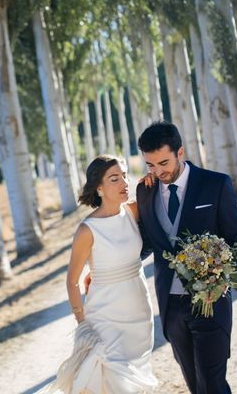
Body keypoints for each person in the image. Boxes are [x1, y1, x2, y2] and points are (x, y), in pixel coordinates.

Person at [135, 121, 237, 394]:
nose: (158, 171)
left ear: (180, 152)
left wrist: (220, 283)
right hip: (171, 307)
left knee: (212, 384)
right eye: (150, 165)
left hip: (210, 301)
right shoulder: (145, 191)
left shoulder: (216, 184)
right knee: (196, 385)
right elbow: (147, 242)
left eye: (163, 162)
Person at [40, 155, 158, 394]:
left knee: (133, 382)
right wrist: (81, 322)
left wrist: (152, 179)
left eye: (124, 176)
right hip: (105, 317)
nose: (124, 183)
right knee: (109, 381)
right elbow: (72, 281)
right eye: (114, 178)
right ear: (99, 188)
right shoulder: (87, 230)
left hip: (139, 313)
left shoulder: (133, 211)